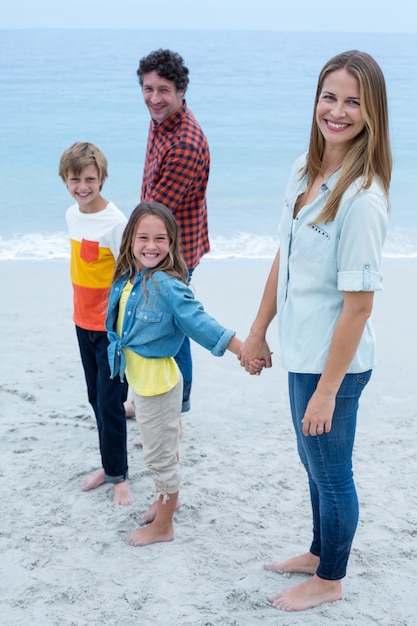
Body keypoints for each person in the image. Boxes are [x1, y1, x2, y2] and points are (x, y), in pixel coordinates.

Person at [238, 50, 392, 611]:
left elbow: (358, 307)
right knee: (312, 462)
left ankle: (330, 578)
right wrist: (257, 332)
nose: (339, 110)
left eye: (354, 101)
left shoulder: (363, 199)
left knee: (331, 472)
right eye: (331, 96)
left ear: (371, 113)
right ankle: (317, 550)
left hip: (335, 363)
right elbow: (286, 254)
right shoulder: (304, 171)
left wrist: (328, 389)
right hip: (300, 350)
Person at [106, 202, 242, 547]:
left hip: (158, 387)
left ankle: (164, 525)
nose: (151, 245)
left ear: (172, 243)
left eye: (160, 239)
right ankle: (167, 499)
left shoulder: (167, 286)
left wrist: (241, 348)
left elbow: (200, 323)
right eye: (143, 237)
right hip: (140, 382)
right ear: (130, 241)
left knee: (159, 456)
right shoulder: (128, 276)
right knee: (163, 447)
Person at [126, 48, 210, 421]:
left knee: (173, 329)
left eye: (163, 90)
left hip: (173, 250)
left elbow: (155, 215)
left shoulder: (185, 145)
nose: (154, 98)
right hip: (156, 241)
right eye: (148, 89)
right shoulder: (160, 119)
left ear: (180, 90)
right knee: (161, 322)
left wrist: (126, 248)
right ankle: (147, 401)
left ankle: (175, 411)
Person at [59, 141, 134, 506]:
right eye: (75, 180)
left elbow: (130, 273)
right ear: (65, 181)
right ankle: (109, 465)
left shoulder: (116, 222)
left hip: (111, 329)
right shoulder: (72, 215)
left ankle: (119, 475)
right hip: (81, 322)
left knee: (111, 401)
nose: (82, 186)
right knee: (95, 398)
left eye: (89, 179)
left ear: (102, 178)